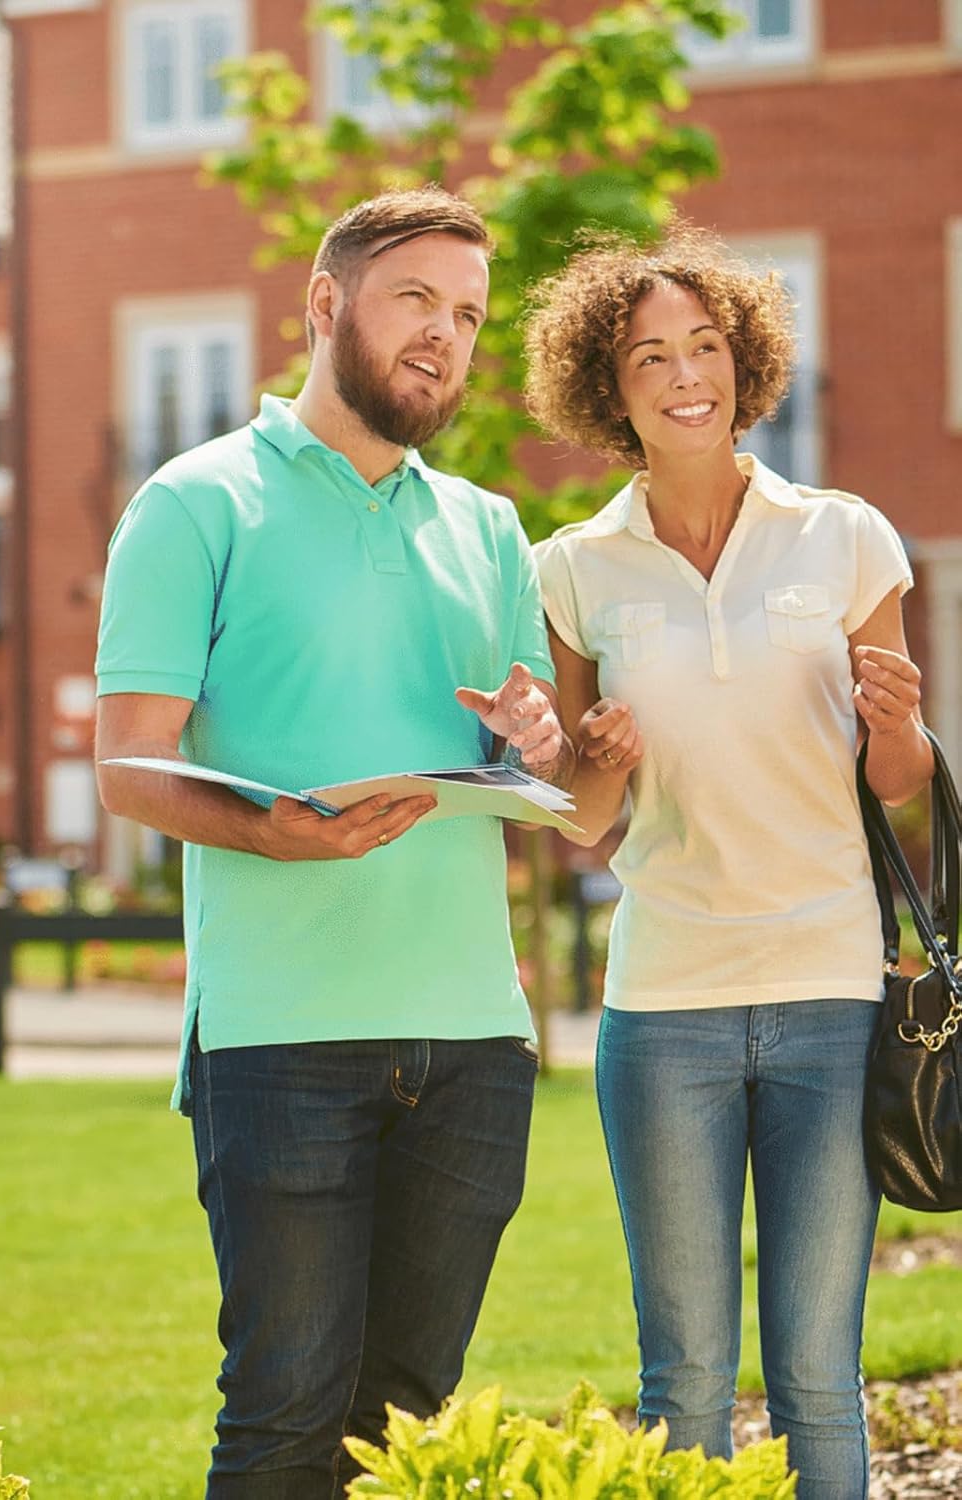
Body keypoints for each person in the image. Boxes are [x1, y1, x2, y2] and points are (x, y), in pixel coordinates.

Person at [94, 186, 570, 1498]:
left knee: (411, 1427)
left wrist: (538, 733)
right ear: (325, 304)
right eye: (417, 299)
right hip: (279, 1033)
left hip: (475, 1035)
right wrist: (284, 835)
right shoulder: (197, 504)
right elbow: (130, 765)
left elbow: (537, 760)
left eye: (469, 315)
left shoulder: (486, 526)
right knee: (287, 1419)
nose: (446, 337)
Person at [525, 227, 934, 1499]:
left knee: (819, 1370)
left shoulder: (846, 537)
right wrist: (593, 751)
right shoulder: (572, 569)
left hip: (827, 990)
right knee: (685, 1374)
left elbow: (903, 795)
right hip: (665, 1008)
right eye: (651, 353)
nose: (683, 373)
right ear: (611, 383)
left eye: (705, 345)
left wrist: (899, 727)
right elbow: (583, 818)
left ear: (745, 362)